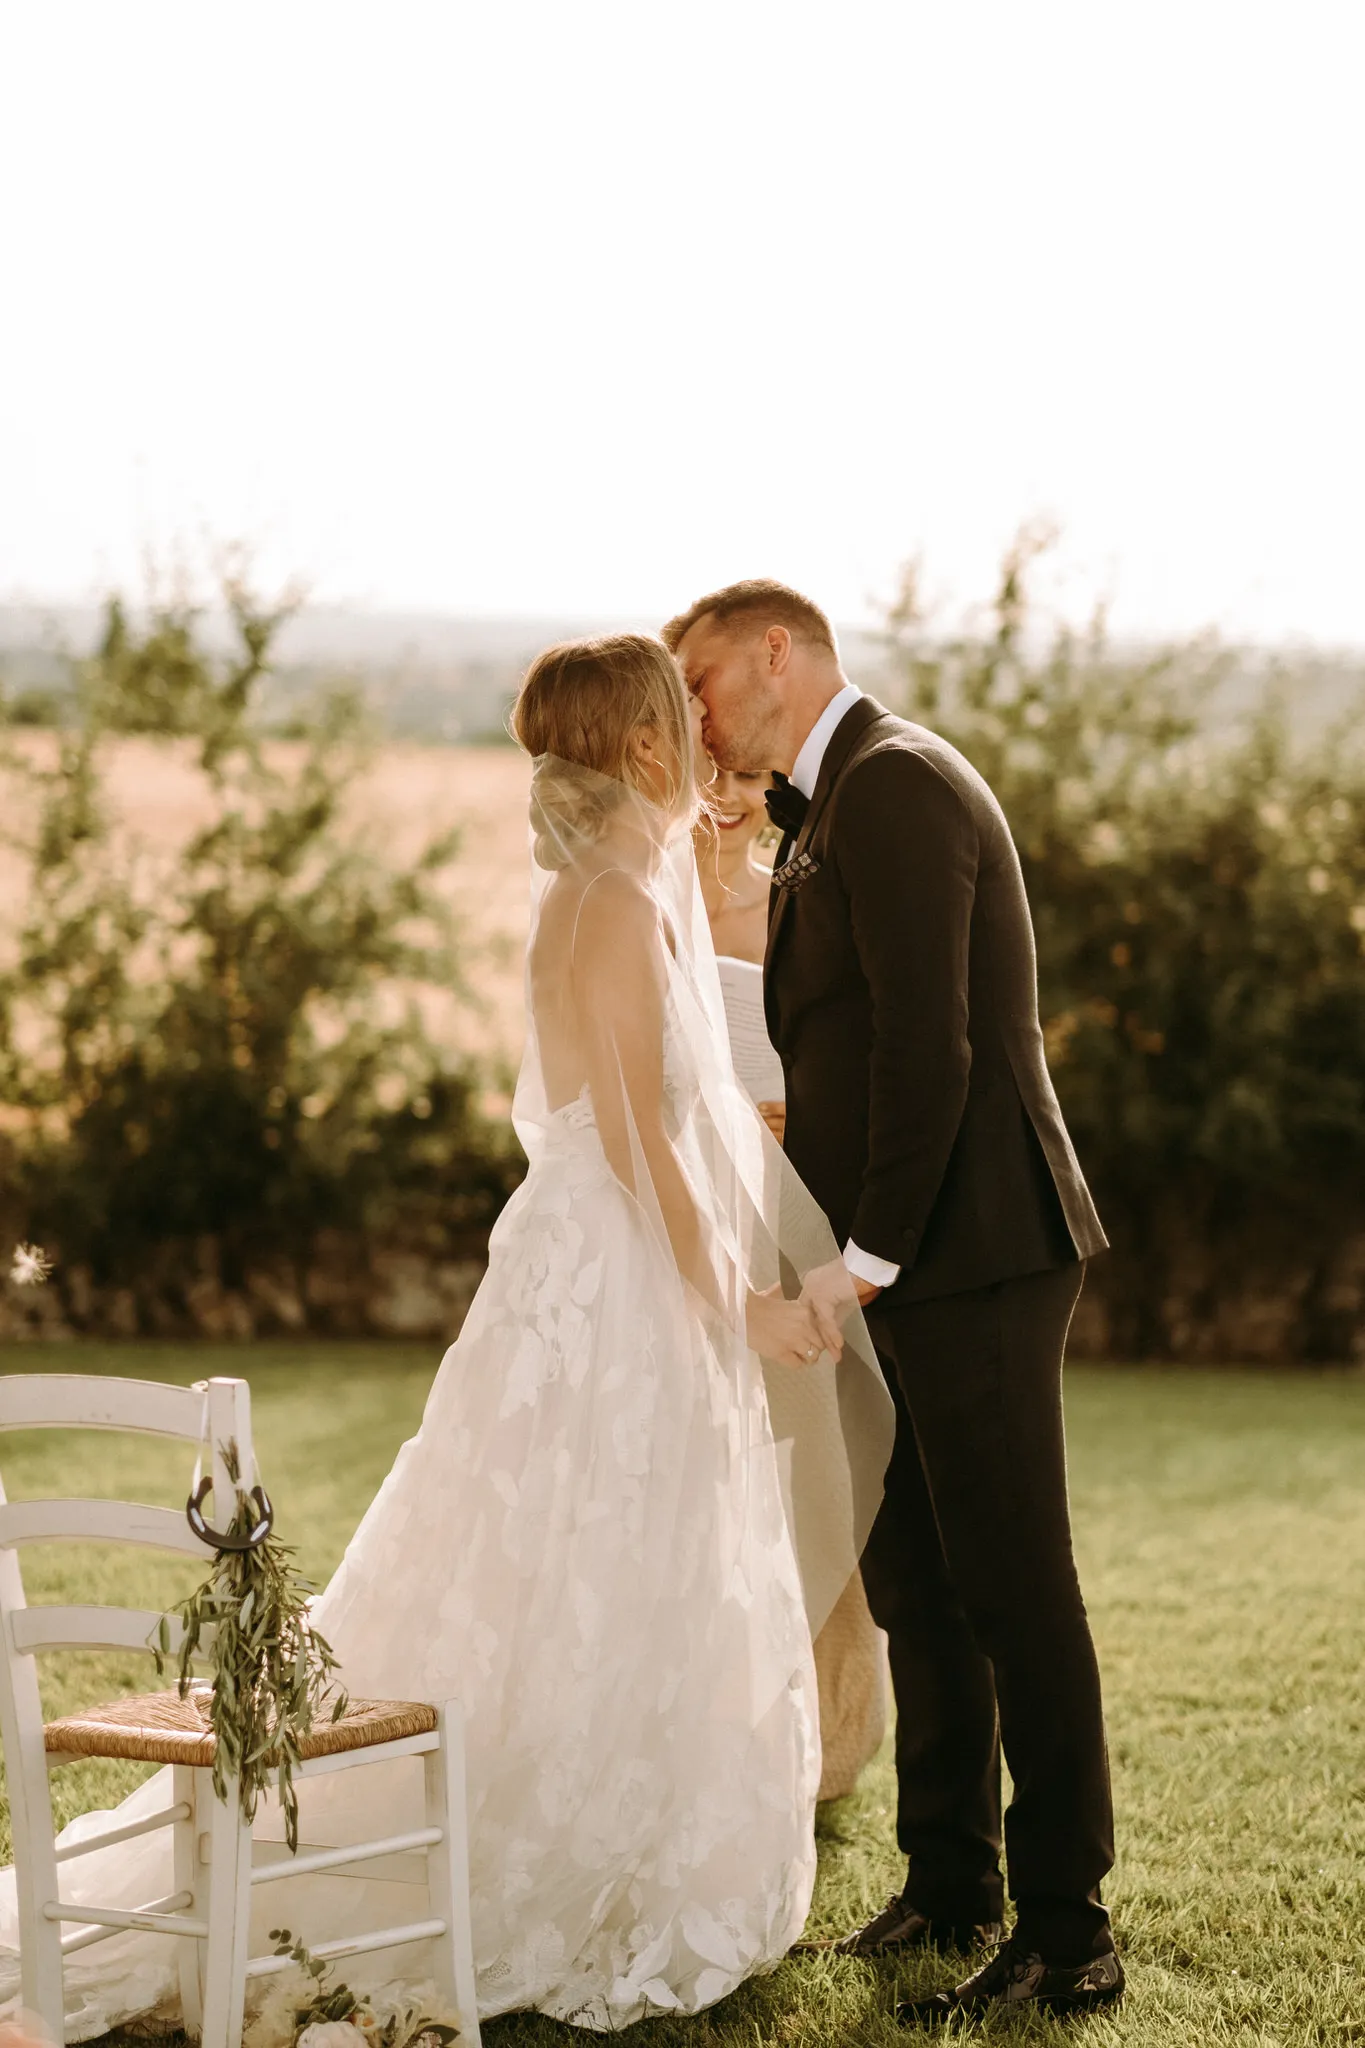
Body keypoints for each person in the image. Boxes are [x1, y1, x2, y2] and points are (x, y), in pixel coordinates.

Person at [0, 634, 895, 2042]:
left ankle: (623, 1818)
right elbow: (652, 1153)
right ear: (648, 751)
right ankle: (558, 1854)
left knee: (604, 1554)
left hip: (596, 1266)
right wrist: (751, 1303)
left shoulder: (611, 886)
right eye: (682, 726)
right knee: (584, 1551)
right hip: (611, 1286)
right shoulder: (603, 902)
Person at [665, 580, 1124, 2023]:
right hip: (907, 1258)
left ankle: (1069, 1926)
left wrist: (863, 1257)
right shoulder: (830, 803)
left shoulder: (900, 784)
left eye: (704, 682)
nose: (695, 714)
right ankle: (950, 1878)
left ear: (778, 654)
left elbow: (937, 1048)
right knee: (916, 1581)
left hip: (973, 1249)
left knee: (1010, 1584)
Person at [691, 746, 888, 1808]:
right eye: (702, 774)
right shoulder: (641, 905)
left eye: (741, 777)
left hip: (799, 1207)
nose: (724, 797)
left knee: (814, 1466)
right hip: (695, 1215)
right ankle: (706, 1723)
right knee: (706, 1468)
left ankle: (827, 1733)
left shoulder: (802, 899)